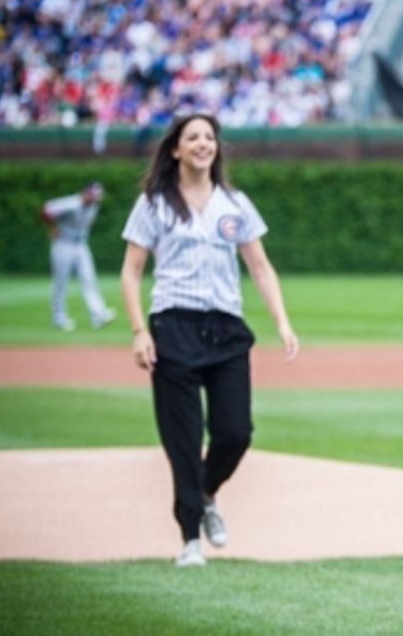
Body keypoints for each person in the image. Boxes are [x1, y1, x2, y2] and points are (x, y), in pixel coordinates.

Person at [118, 113, 299, 568]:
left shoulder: (234, 204)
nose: (203, 143)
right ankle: (189, 540)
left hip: (226, 329)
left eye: (210, 137)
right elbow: (132, 271)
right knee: (182, 438)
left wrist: (282, 321)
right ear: (176, 149)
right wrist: (139, 331)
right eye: (193, 137)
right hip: (173, 326)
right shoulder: (155, 204)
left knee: (236, 432)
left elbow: (259, 266)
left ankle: (207, 491)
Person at [42, 181, 115, 332]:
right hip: (63, 244)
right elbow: (46, 210)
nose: (96, 198)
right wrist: (52, 228)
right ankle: (58, 318)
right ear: (85, 192)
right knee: (60, 282)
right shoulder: (71, 203)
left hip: (80, 245)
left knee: (89, 278)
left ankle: (98, 315)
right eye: (93, 195)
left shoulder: (94, 206)